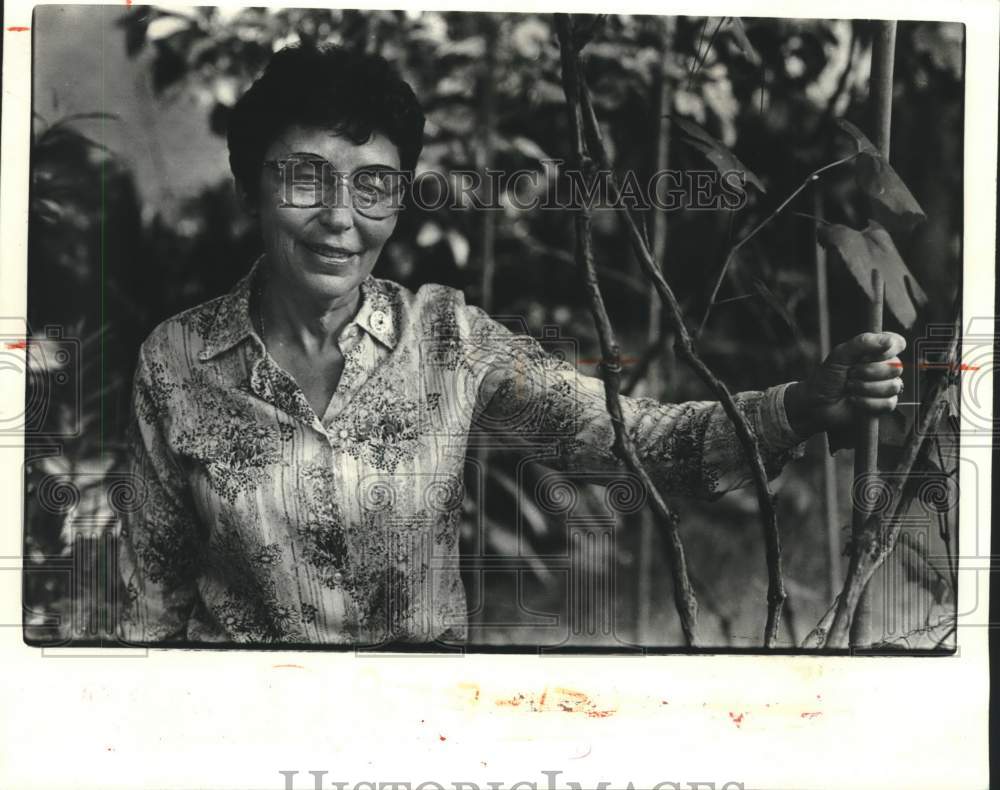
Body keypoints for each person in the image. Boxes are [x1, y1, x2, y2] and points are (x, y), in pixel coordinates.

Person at [118, 44, 905, 645]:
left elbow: (631, 443)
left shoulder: (447, 339)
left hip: (419, 741)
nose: (340, 217)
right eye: (305, 178)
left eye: (374, 186)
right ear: (250, 183)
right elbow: (149, 600)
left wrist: (800, 407)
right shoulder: (177, 361)